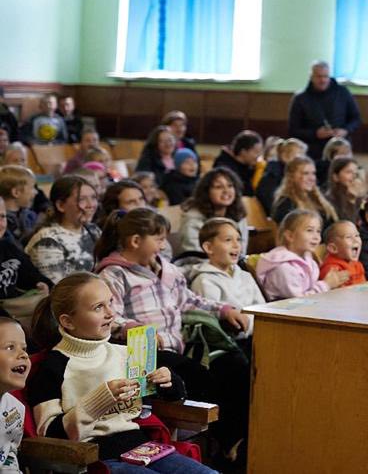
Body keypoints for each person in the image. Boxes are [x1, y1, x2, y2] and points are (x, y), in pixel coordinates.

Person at [92, 209, 251, 461]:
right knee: (202, 377)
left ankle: (234, 439)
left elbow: (189, 301)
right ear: (136, 241)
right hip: (144, 355)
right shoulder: (114, 274)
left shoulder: (168, 269)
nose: (164, 245)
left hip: (178, 348)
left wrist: (224, 310)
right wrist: (132, 327)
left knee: (237, 368)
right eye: (158, 239)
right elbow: (110, 315)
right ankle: (224, 444)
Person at [27, 273, 218, 473]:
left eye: (110, 302)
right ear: (68, 322)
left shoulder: (125, 353)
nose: (111, 313)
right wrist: (98, 402)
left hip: (143, 448)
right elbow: (50, 435)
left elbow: (171, 398)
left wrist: (168, 382)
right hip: (92, 458)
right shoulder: (51, 368)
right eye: (98, 307)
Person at [187, 218, 264, 338]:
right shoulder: (204, 281)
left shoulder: (245, 275)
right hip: (232, 343)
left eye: (238, 239)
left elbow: (263, 310)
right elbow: (212, 324)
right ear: (208, 247)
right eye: (228, 240)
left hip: (258, 334)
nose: (236, 245)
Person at [26, 176, 100, 285]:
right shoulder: (47, 240)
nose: (91, 205)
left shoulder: (93, 230)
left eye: (93, 198)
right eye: (82, 199)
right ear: (61, 205)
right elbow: (58, 288)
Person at [257, 210, 347, 299]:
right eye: (309, 230)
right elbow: (299, 301)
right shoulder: (284, 268)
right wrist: (326, 285)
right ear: (290, 236)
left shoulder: (310, 261)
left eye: (318, 231)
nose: (316, 237)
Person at [287, 61, 361, 161]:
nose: (323, 80)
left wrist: (346, 130)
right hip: (312, 152)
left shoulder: (343, 93)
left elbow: (356, 119)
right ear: (311, 77)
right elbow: (293, 130)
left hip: (340, 150)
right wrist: (315, 134)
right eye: (319, 76)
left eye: (326, 76)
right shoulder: (300, 98)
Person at [173, 169, 250, 257]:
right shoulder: (193, 218)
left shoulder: (238, 215)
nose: (226, 190)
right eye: (218, 187)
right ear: (206, 192)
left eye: (230, 186)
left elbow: (241, 252)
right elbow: (193, 254)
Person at [269, 157, 337, 234]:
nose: (311, 178)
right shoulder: (286, 203)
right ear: (291, 176)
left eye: (313, 173)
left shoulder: (318, 200)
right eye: (305, 173)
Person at [0, 316, 28, 472]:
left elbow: (8, 455)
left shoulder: (15, 410)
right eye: (10, 347)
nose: (23, 355)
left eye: (24, 348)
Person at [254, 138, 306, 213]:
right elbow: (273, 204)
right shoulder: (272, 176)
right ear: (284, 156)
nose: (303, 161)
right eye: (298, 156)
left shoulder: (298, 176)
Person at [317, 221, 366, 288]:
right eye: (348, 237)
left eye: (357, 235)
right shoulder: (332, 271)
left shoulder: (357, 264)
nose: (356, 240)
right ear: (333, 248)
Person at [0, 165, 39, 246]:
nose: (36, 192)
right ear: (16, 192)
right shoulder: (3, 223)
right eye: (32, 188)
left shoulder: (30, 216)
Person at [322, 155, 366, 224]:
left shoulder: (359, 198)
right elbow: (347, 225)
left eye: (356, 173)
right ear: (335, 177)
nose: (354, 176)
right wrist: (351, 201)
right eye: (349, 172)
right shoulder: (328, 202)